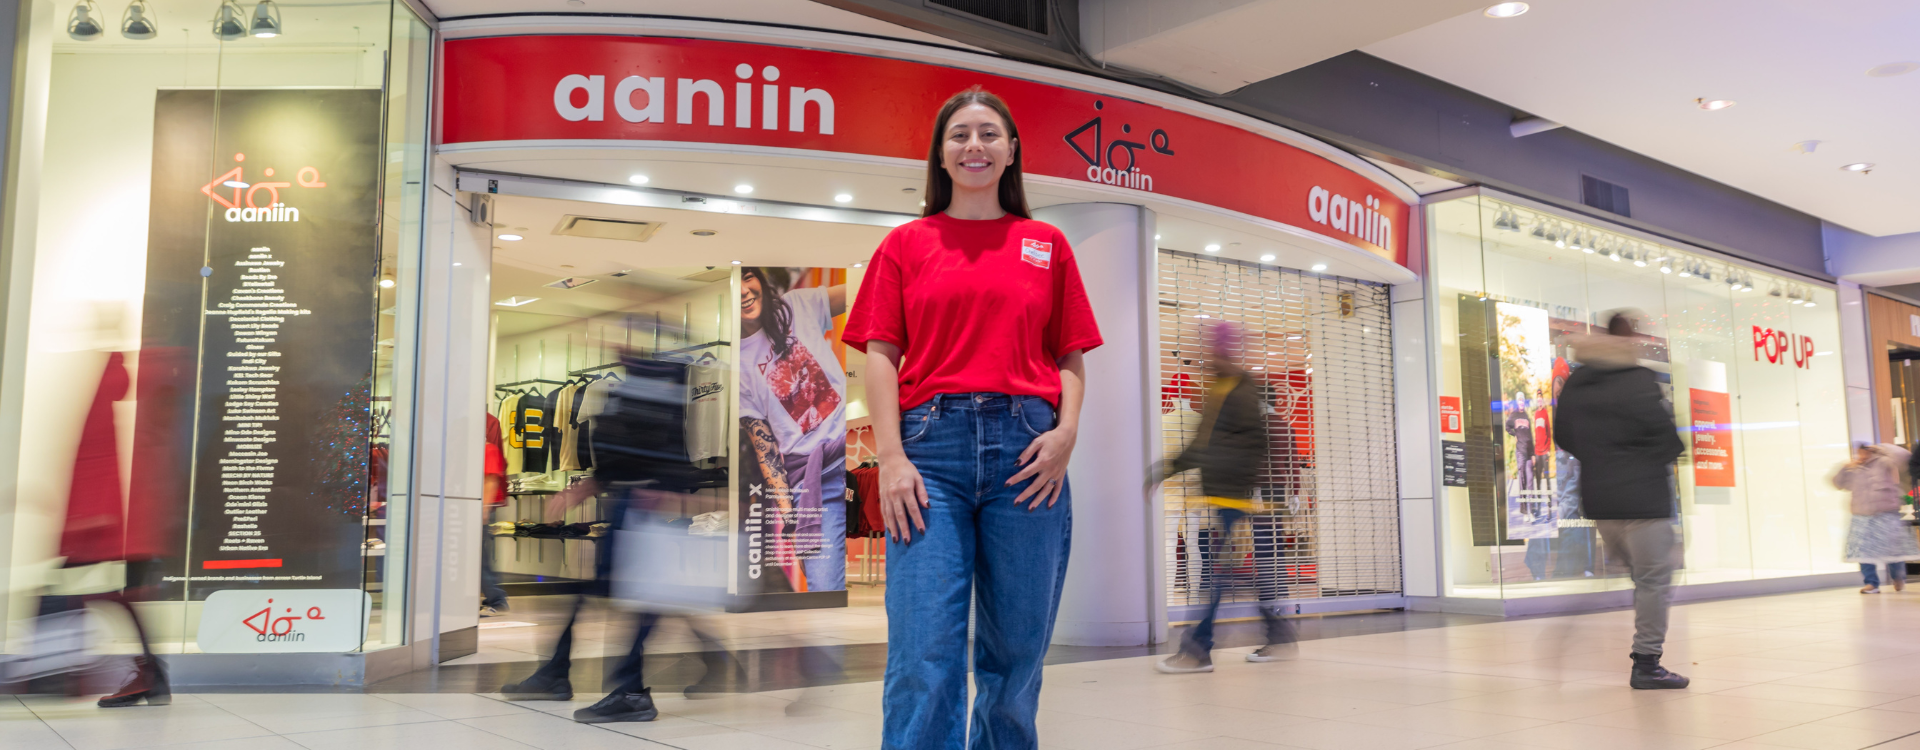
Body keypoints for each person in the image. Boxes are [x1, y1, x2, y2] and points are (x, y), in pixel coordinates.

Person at [843, 86, 1101, 750]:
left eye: (989, 133)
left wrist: (1067, 434)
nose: (974, 146)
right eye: (959, 135)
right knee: (923, 651)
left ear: (1012, 151)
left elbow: (1070, 355)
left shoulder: (1045, 243)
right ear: (940, 154)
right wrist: (891, 457)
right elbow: (880, 355)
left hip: (1029, 454)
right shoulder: (906, 244)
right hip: (930, 454)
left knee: (1017, 651)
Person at [499, 348, 725, 723]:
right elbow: (627, 449)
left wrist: (652, 489)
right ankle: (562, 674)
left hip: (640, 505)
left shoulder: (656, 384)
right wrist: (588, 486)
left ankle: (626, 690)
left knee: (638, 598)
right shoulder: (639, 385)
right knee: (619, 594)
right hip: (629, 503)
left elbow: (656, 448)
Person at [1152, 320, 1296, 674]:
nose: (1210, 354)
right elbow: (1204, 443)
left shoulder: (1240, 392)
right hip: (1224, 496)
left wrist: (1240, 486)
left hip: (1234, 498)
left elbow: (1251, 444)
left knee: (1219, 578)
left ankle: (1198, 650)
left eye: (1214, 348)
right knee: (1231, 574)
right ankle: (1278, 636)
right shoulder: (1221, 389)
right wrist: (1166, 470)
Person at [1553, 311, 1688, 690]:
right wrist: (1658, 455)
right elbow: (1665, 437)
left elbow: (1564, 436)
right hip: (1643, 498)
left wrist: (1601, 460)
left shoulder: (1578, 381)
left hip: (1601, 498)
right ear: (1630, 340)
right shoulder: (1638, 379)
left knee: (1641, 576)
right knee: (1653, 580)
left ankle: (1641, 656)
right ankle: (1647, 664)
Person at [738, 266, 849, 592]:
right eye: (734, 284)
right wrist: (789, 518)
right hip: (814, 479)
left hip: (852, 450)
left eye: (748, 277)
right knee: (824, 588)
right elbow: (766, 450)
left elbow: (862, 289)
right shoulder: (739, 365)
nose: (744, 290)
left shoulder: (796, 305)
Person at [1833, 443, 1920, 593]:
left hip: (1886, 512)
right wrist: (1844, 468)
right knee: (1863, 552)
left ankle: (1898, 577)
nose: (1862, 455)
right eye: (1859, 452)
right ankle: (1871, 583)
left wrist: (1881, 449)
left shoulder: (1885, 461)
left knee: (1893, 549)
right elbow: (1838, 484)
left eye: (1865, 451)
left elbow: (1903, 458)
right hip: (1861, 515)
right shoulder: (1854, 468)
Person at [481, 412, 510, 616]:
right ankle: (493, 597)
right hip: (474, 509)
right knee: (477, 556)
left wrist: (483, 510)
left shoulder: (488, 450)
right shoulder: (480, 450)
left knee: (479, 557)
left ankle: (497, 599)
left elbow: (491, 480)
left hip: (480, 509)